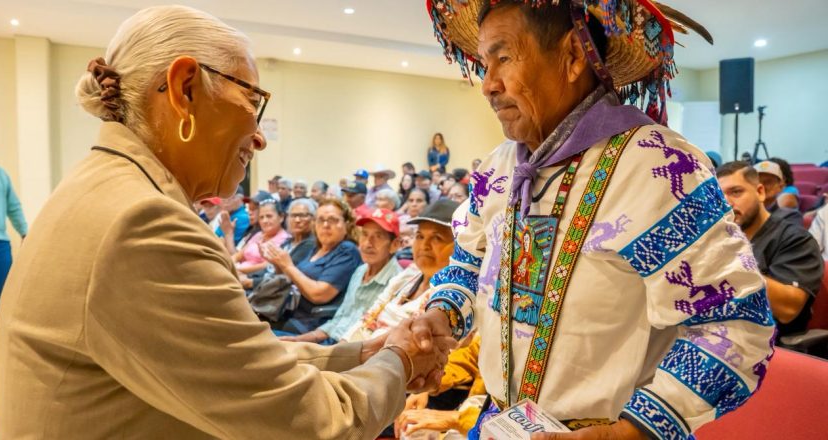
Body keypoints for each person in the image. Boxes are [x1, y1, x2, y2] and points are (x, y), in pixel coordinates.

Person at [0, 6, 453, 439]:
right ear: (185, 88)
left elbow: (234, 359)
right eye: (252, 100)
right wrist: (401, 360)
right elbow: (313, 424)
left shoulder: (102, 186)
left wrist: (363, 353)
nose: (258, 136)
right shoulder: (142, 221)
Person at [411, 2, 773, 439]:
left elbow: (736, 323)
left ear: (572, 56)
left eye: (503, 58)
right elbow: (468, 263)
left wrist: (630, 431)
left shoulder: (658, 166)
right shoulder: (500, 165)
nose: (488, 84)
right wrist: (441, 315)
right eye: (485, 63)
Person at [717, 162, 823, 337]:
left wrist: (728, 263)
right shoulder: (721, 238)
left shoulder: (795, 239)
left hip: (768, 346)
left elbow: (788, 309)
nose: (726, 203)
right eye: (719, 196)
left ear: (760, 192)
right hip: (718, 335)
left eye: (736, 192)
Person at [282, 208, 403, 345]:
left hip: (353, 353)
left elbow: (369, 338)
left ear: (395, 245)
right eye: (364, 234)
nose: (368, 243)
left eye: (378, 236)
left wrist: (325, 353)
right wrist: (299, 340)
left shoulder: (398, 283)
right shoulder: (360, 271)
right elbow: (339, 319)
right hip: (331, 342)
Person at [342, 200, 458, 343]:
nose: (424, 245)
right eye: (420, 236)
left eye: (437, 238)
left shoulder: (453, 296)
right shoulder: (408, 276)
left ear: (459, 247)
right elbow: (368, 318)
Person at [263, 199, 362, 334]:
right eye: (321, 220)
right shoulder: (317, 248)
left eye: (333, 220)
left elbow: (319, 294)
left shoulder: (347, 251)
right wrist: (277, 263)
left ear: (347, 224)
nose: (325, 225)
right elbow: (293, 278)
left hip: (310, 325)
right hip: (286, 312)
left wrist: (287, 266)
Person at [0, 157, 28, 305]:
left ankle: (2, 329)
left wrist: (24, 232)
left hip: (0, 246)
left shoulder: (0, 174)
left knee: (6, 299)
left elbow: (13, 207)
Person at [228, 200, 289, 276]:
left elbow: (268, 266)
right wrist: (229, 264)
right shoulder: (258, 235)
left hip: (256, 279)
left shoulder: (285, 239)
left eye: (269, 216)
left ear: (281, 217)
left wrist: (237, 270)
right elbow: (238, 255)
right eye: (261, 217)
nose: (265, 221)